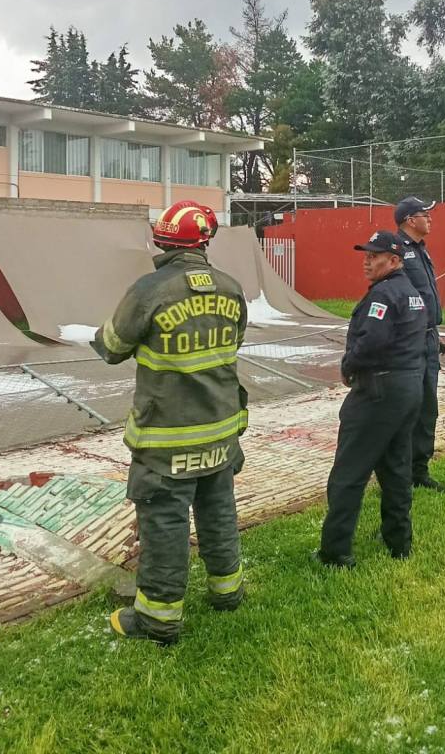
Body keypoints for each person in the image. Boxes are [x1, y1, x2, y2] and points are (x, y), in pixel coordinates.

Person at [91, 200, 249, 645]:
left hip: (167, 440)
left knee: (165, 522)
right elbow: (231, 343)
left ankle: (157, 619)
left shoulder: (149, 290)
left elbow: (111, 346)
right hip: (221, 430)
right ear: (205, 242)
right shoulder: (231, 288)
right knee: (218, 511)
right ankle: (227, 593)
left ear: (160, 240)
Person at [317, 230, 427, 568]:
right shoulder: (411, 293)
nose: (366, 261)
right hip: (408, 388)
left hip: (378, 391)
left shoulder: (383, 295)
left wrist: (348, 365)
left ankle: (336, 552)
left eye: (374, 256)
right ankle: (399, 542)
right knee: (395, 468)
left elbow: (371, 343)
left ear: (394, 260)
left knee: (349, 473)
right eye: (365, 255)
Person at [395, 195, 445, 492]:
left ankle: (419, 470)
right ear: (409, 220)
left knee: (428, 407)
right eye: (424, 214)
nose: (430, 219)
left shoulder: (422, 251)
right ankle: (399, 470)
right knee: (408, 407)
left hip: (428, 338)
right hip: (410, 340)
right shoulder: (397, 250)